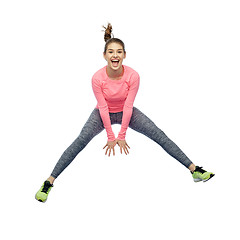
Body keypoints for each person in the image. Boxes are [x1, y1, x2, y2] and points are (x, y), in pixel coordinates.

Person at [35, 23, 214, 203]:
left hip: (125, 112)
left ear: (125, 55)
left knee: (158, 135)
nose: (115, 55)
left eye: (119, 51)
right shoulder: (97, 78)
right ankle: (49, 182)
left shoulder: (133, 76)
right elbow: (103, 107)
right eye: (111, 51)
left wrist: (122, 134)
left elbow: (128, 106)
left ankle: (194, 170)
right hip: (101, 113)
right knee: (81, 140)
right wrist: (111, 136)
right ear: (104, 55)